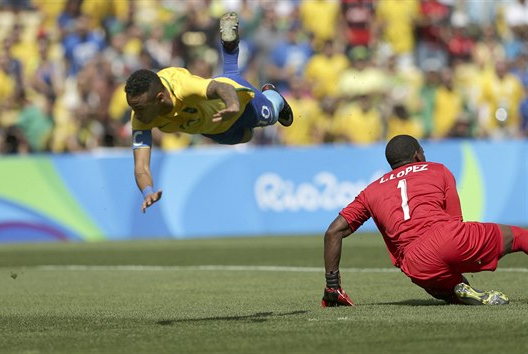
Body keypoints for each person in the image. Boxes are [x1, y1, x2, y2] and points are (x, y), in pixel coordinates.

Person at [321, 134, 528, 307]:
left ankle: (458, 289)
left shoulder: (371, 190)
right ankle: (458, 284)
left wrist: (333, 285)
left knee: (440, 285)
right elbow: (455, 221)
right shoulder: (438, 169)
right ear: (417, 154)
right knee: (519, 236)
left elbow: (333, 232)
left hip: (415, 261)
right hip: (449, 238)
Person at [124, 12, 294, 213]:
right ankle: (229, 49)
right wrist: (148, 191)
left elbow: (220, 89)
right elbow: (141, 167)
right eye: (133, 108)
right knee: (245, 136)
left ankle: (272, 95)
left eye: (140, 108)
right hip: (215, 130)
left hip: (231, 105)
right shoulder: (141, 116)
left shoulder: (181, 85)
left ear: (160, 98)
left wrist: (232, 106)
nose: (136, 115)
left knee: (271, 115)